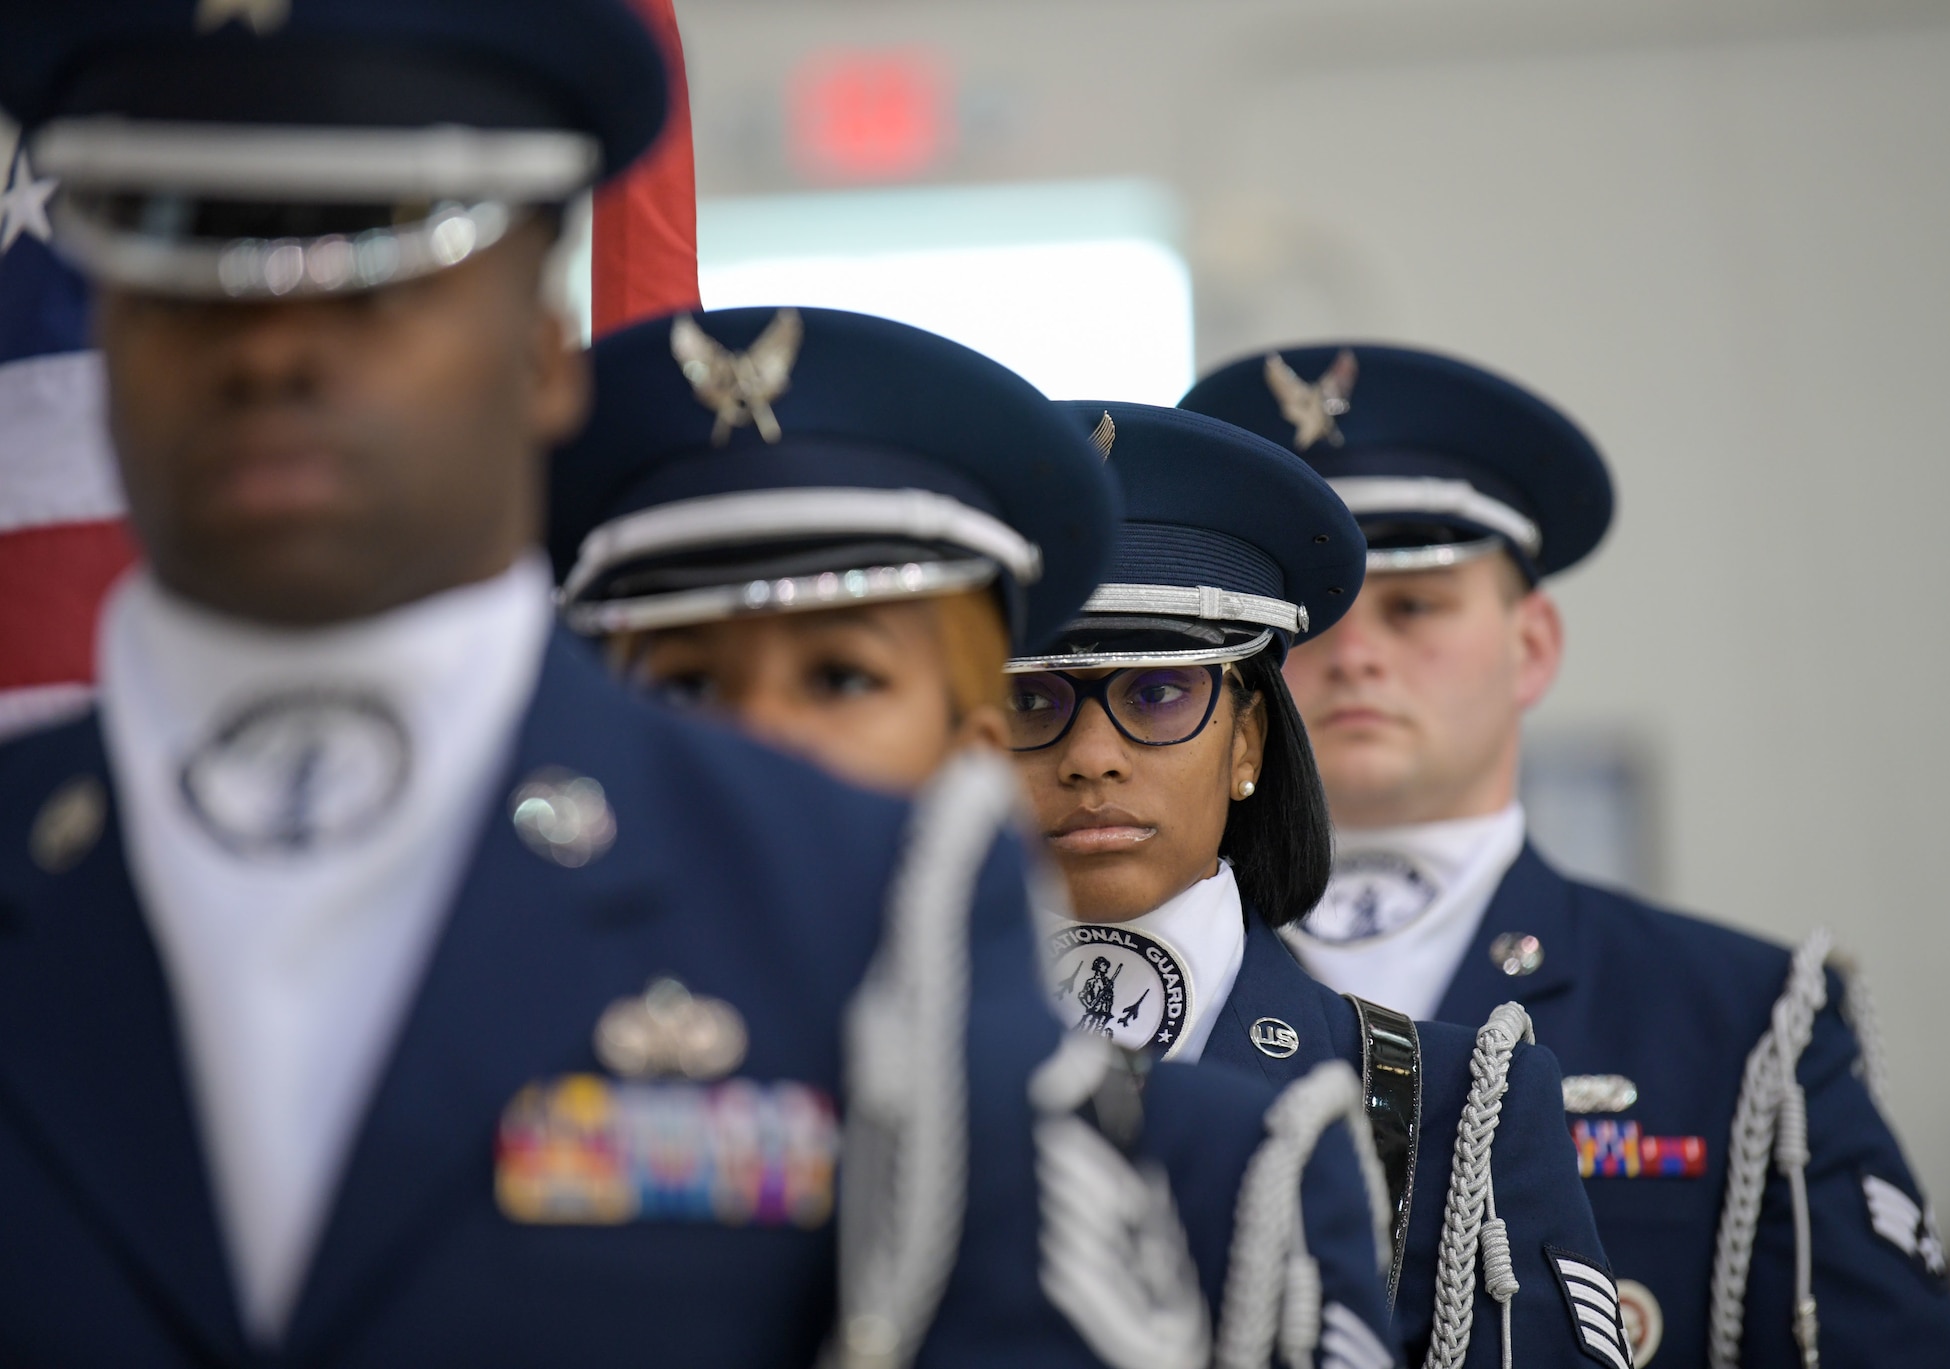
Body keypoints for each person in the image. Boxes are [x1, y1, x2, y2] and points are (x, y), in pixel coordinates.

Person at [0, 5, 1302, 1365]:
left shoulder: (862, 904)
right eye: (185, 253)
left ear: (542, 348)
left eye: (378, 259)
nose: (270, 341)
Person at [547, 306, 1401, 1369]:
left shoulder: (1226, 1164)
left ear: (969, 744)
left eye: (841, 676)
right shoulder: (487, 1088)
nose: (759, 738)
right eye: (683, 684)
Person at [1181, 343, 1950, 1369]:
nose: (1357, 653)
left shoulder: (1735, 1021)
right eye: (1318, 616)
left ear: (1534, 645)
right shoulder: (1139, 991)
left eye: (1414, 605)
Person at [1005, 400, 1622, 1369]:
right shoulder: (857, 1066)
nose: (1091, 757)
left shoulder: (1452, 1107)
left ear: (1246, 741)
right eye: (1027, 699)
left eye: (1157, 692)